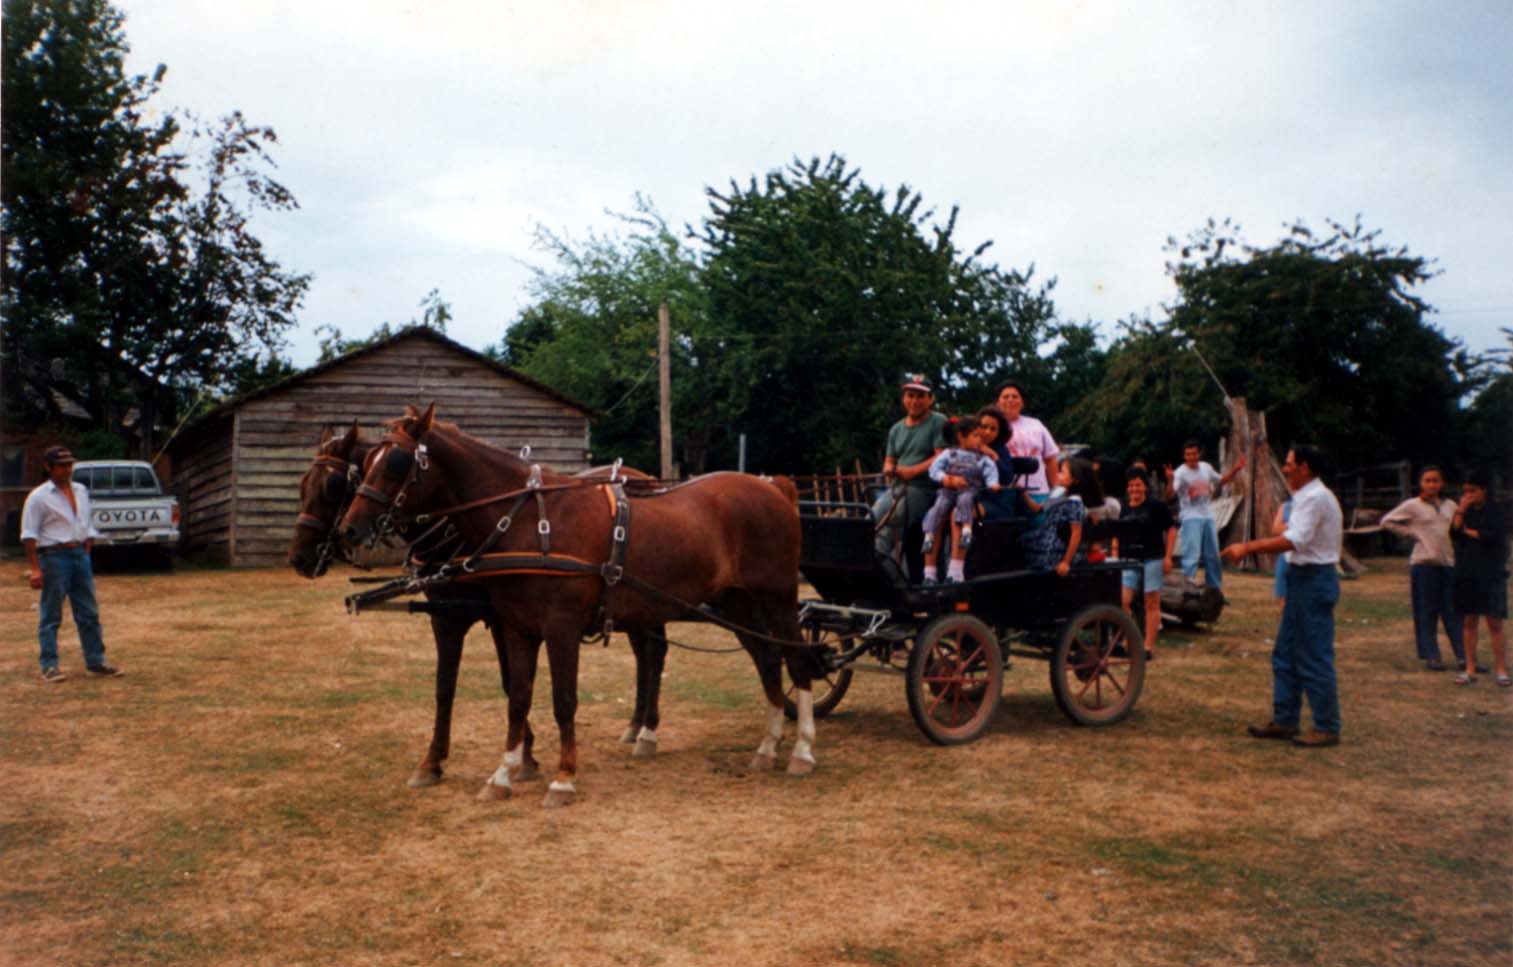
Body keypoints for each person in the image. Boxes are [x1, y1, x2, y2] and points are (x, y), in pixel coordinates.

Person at [1221, 445, 1342, 748]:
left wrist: (1247, 548)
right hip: (1301, 580)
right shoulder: (1305, 498)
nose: (1285, 469)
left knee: (1313, 655)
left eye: (1289, 464)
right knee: (1285, 653)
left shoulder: (1315, 498)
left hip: (1314, 580)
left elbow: (1293, 540)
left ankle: (1326, 726)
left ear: (1304, 468)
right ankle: (1286, 720)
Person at [21, 445, 122, 682]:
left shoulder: (80, 490)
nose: (67, 470)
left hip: (79, 555)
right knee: (51, 614)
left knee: (88, 612)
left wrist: (86, 548)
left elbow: (84, 522)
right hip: (53, 557)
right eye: (62, 466)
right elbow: (29, 535)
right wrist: (36, 568)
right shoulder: (38, 497)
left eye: (70, 465)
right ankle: (50, 665)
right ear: (48, 467)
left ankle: (96, 661)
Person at [1382, 466, 1465, 672]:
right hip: (1424, 564)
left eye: (1435, 480)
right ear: (1421, 484)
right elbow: (1387, 521)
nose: (1432, 485)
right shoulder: (1413, 505)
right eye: (1427, 481)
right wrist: (1414, 534)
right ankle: (1432, 656)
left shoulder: (1450, 505)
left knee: (1453, 611)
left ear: (1442, 483)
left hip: (1448, 564)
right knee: (1427, 611)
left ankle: (1464, 655)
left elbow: (1457, 529)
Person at [872, 373, 950, 579]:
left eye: (920, 396)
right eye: (910, 395)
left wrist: (913, 470)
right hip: (898, 487)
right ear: (904, 398)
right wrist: (889, 468)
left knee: (892, 522)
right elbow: (889, 460)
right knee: (871, 518)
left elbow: (941, 457)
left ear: (930, 399)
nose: (914, 401)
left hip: (925, 489)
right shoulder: (896, 428)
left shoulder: (938, 422)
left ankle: (879, 570)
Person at [920, 415, 1001, 584]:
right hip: (948, 491)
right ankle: (929, 570)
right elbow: (935, 469)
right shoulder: (949, 453)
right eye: (976, 436)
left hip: (967, 492)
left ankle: (957, 565)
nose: (981, 439)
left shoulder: (983, 457)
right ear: (961, 437)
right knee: (938, 508)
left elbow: (990, 471)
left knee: (963, 504)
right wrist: (945, 478)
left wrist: (993, 483)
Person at [1449, 469, 1508, 687]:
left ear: (1483, 490)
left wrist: (1471, 532)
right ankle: (1470, 668)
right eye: (1465, 492)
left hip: (1491, 574)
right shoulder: (1465, 512)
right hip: (1466, 573)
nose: (1468, 495)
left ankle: (1501, 669)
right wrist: (1461, 512)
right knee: (1469, 620)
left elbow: (1493, 536)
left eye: (1472, 491)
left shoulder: (1496, 511)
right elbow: (1454, 533)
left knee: (1494, 622)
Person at [1164, 441, 1246, 590]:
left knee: (1213, 556)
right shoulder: (1180, 473)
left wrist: (1235, 469)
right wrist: (1170, 479)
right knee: (1192, 557)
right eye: (1188, 455)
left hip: (1208, 515)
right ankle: (1187, 590)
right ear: (1184, 456)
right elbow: (1169, 496)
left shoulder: (1206, 467)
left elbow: (1221, 481)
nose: (1192, 457)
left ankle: (1214, 591)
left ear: (1199, 454)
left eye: (1194, 454)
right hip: (1190, 517)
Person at [1119, 467, 1176, 660]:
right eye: (1131, 485)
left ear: (1145, 486)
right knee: (1123, 600)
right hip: (1128, 558)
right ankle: (1129, 636)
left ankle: (1148, 646)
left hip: (1153, 556)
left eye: (1138, 485)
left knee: (1151, 601)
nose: (1134, 489)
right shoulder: (1123, 507)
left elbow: (1171, 529)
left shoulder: (1157, 506)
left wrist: (1168, 557)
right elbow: (1117, 533)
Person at [1022, 457, 1102, 576]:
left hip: (1056, 547)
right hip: (1045, 538)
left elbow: (1076, 533)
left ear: (1075, 480)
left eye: (1062, 472)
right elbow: (1039, 509)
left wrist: (1066, 561)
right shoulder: (1058, 493)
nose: (1058, 475)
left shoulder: (1074, 502)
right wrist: (1024, 494)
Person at [995, 381, 1058, 496]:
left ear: (1022, 402)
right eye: (1005, 397)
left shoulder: (1036, 424)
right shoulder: (991, 427)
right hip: (1003, 491)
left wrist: (1056, 488)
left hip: (1038, 491)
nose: (1010, 400)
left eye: (1015, 396)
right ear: (998, 402)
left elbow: (1050, 458)